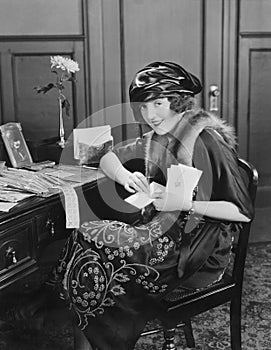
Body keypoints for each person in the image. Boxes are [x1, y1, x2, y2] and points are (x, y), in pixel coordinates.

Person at [51, 61, 253, 350]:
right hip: (161, 237)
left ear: (178, 102)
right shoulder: (156, 137)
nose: (150, 114)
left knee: (97, 253)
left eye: (158, 103)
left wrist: (186, 204)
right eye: (144, 106)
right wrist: (125, 175)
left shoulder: (207, 141)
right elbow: (105, 156)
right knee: (85, 237)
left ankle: (103, 339)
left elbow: (241, 212)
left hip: (198, 251)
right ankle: (89, 340)